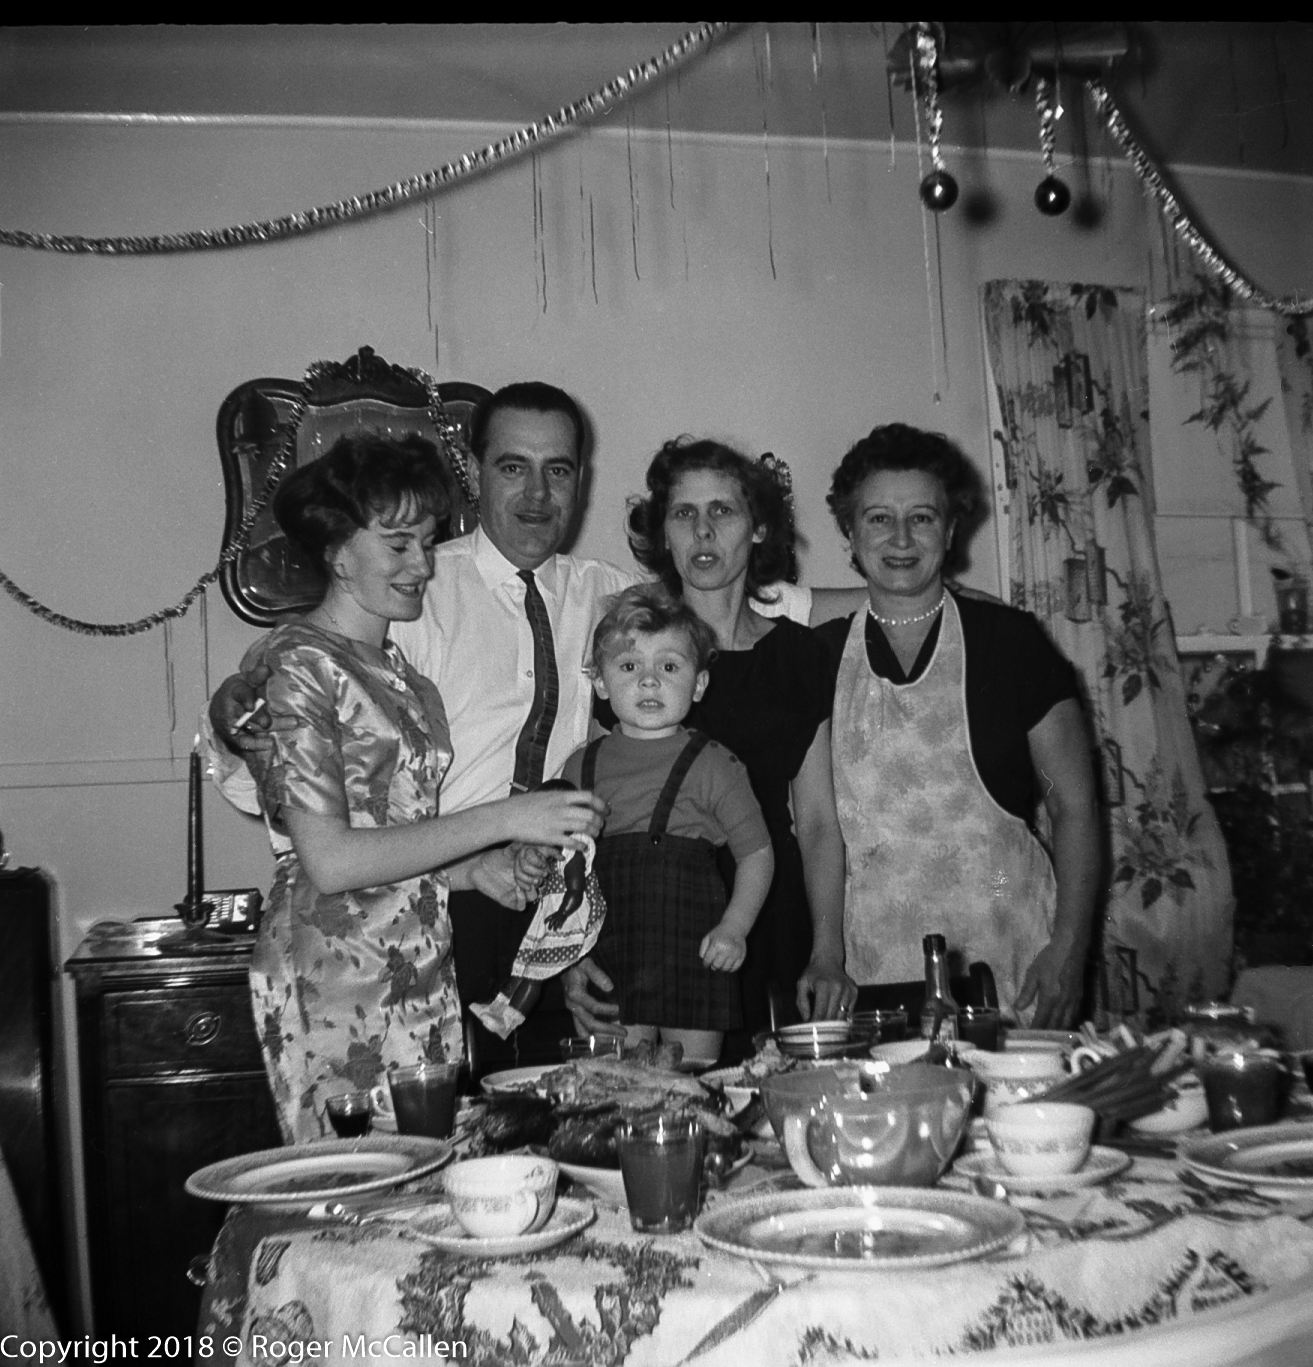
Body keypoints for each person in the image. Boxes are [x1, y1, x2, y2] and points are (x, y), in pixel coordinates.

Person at [237, 434, 604, 1141]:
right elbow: (334, 860)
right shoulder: (298, 664)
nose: (421, 565)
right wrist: (510, 816)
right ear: (338, 551)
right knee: (356, 1184)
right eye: (398, 545)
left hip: (420, 953)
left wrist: (473, 870)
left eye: (428, 543)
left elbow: (395, 836)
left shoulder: (406, 677)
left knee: (429, 1160)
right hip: (336, 970)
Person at [564, 439, 854, 1050]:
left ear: (758, 529)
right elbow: (588, 828)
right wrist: (572, 951)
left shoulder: (800, 658)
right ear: (663, 533)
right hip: (643, 926)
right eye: (682, 513)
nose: (702, 530)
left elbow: (820, 823)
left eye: (722, 511)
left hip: (764, 921)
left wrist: (829, 951)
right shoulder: (630, 655)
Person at [816, 423, 1101, 1027]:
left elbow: (1074, 807)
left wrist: (1068, 950)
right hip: (873, 975)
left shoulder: (1012, 643)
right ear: (850, 533)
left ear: (949, 529)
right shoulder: (817, 659)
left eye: (921, 517)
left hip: (1014, 955)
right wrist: (825, 954)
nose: (900, 538)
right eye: (877, 519)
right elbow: (819, 828)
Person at [558, 585, 774, 1063]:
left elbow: (756, 852)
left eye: (669, 667)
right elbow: (564, 876)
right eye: (630, 667)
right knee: (611, 1086)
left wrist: (735, 928)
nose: (650, 682)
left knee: (690, 1078)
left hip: (695, 951)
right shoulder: (578, 769)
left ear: (698, 684)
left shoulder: (716, 764)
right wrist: (568, 956)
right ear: (599, 682)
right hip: (609, 954)